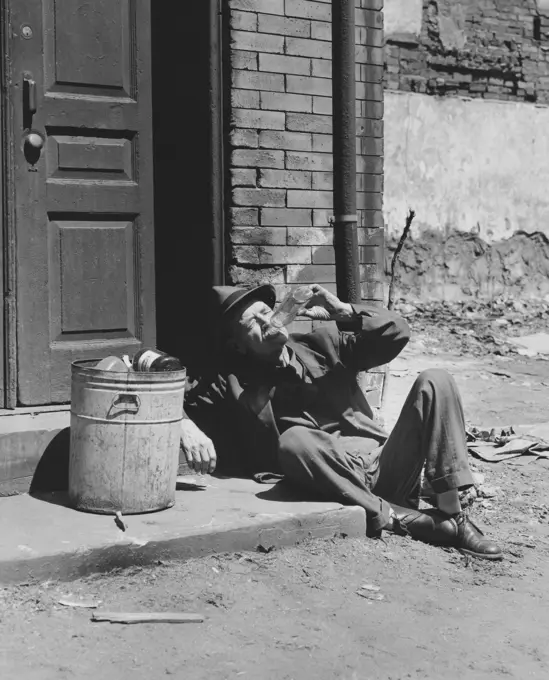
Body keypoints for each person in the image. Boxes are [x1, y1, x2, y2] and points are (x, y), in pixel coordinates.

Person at [179, 283, 502, 560]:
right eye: (252, 321)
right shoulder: (230, 384)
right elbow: (162, 384)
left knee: (436, 379)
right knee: (294, 441)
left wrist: (343, 312)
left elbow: (397, 333)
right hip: (329, 473)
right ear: (237, 344)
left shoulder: (322, 344)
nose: (267, 320)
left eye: (267, 310)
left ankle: (452, 514)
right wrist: (185, 425)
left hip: (384, 461)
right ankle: (396, 518)